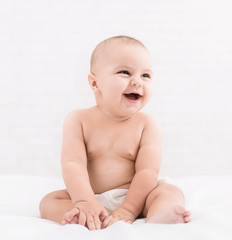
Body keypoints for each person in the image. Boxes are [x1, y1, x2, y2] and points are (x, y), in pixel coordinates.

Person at [39, 35, 191, 230]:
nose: (137, 81)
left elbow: (147, 172)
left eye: (146, 75)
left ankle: (162, 214)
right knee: (49, 201)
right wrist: (84, 201)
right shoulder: (78, 120)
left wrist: (128, 208)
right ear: (95, 83)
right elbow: (72, 164)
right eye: (125, 72)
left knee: (169, 192)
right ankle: (81, 216)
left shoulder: (147, 124)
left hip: (136, 196)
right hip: (90, 195)